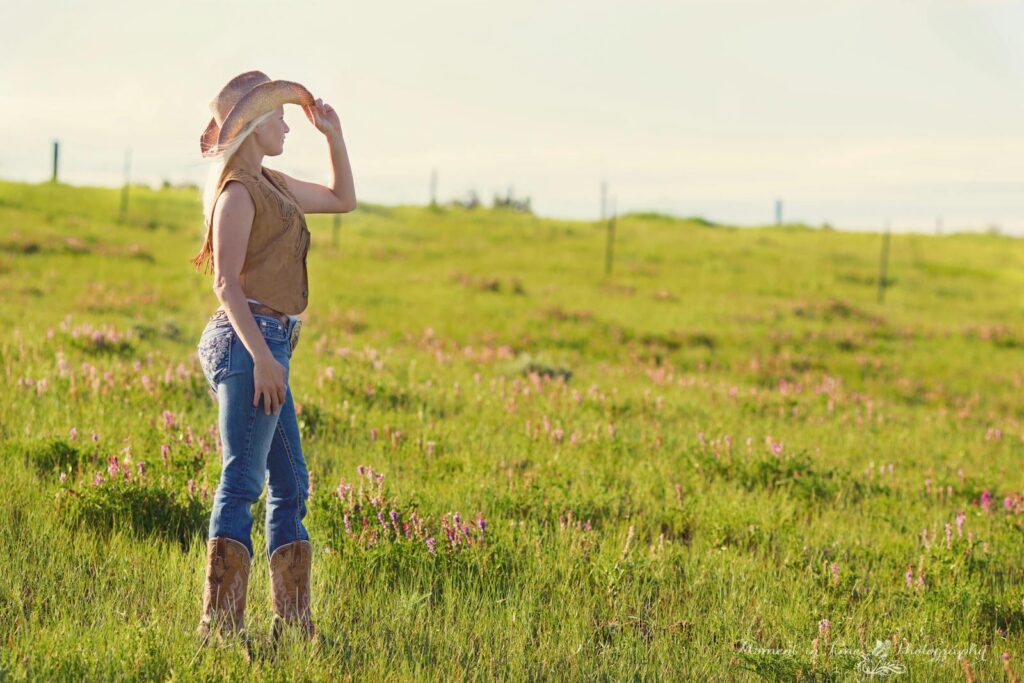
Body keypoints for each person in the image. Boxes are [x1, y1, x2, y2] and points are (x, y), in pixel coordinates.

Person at [190, 70, 355, 647]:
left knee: (291, 482)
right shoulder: (236, 191)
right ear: (256, 127)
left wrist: (333, 135)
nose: (288, 123)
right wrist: (262, 358)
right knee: (242, 480)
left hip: (271, 342)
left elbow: (343, 199)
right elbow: (225, 283)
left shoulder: (273, 182)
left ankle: (293, 624)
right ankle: (221, 629)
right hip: (247, 341)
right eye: (280, 116)